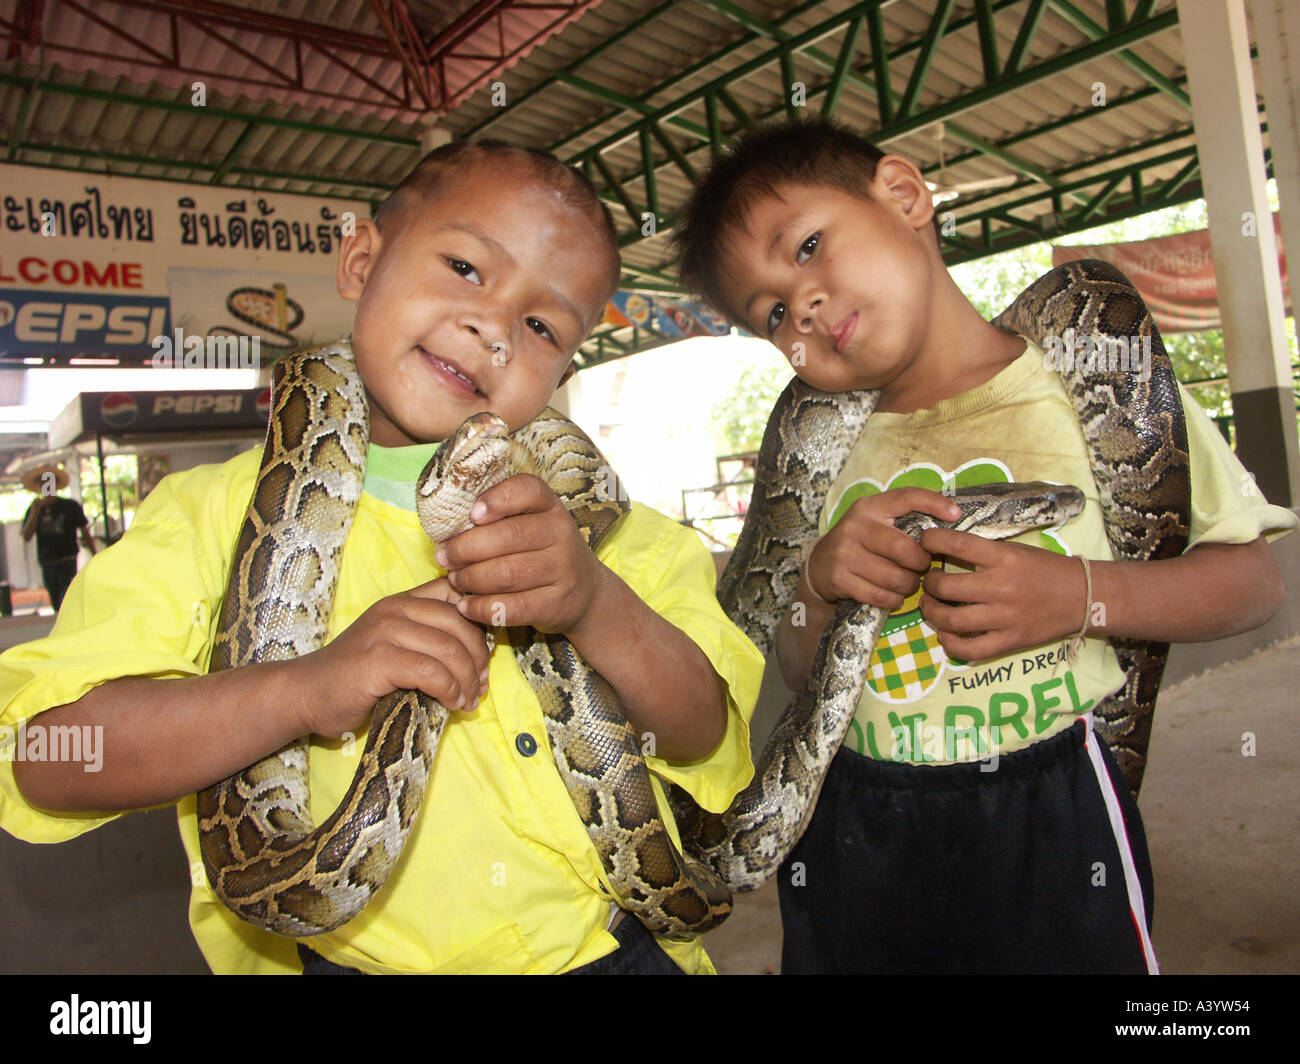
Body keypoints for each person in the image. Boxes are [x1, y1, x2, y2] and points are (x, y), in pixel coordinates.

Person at [0, 140, 764, 975]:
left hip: (613, 956)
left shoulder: (616, 531)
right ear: (361, 259)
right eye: (468, 267)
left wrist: (593, 603)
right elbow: (50, 757)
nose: (494, 330)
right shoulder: (209, 516)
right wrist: (303, 689)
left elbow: (700, 733)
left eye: (541, 326)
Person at [673, 116, 1296, 974]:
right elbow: (795, 668)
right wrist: (817, 586)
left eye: (810, 245)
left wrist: (1082, 596)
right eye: (774, 312)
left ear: (905, 196)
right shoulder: (816, 464)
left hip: (1057, 811)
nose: (803, 305)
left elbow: (1253, 584)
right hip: (856, 819)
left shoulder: (1082, 375)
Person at [19, 465, 97, 611]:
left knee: (68, 597)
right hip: (48, 562)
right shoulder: (34, 509)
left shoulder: (70, 506)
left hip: (67, 559)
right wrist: (35, 513)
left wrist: (94, 553)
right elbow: (26, 536)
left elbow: (84, 531)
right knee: (55, 599)